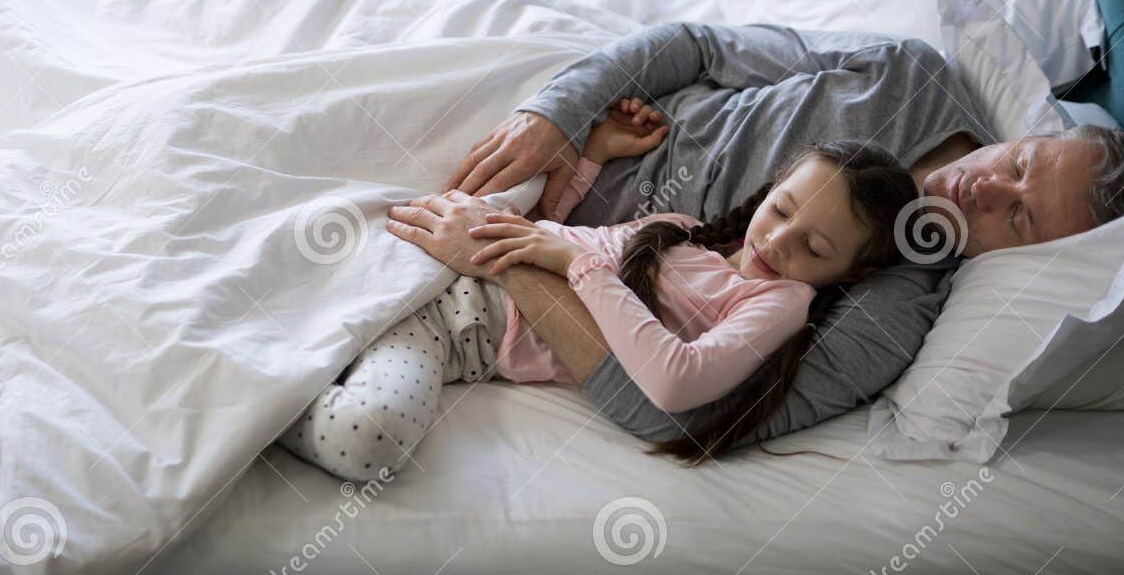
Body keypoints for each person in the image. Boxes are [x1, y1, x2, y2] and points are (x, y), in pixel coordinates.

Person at [389, 22, 1124, 448]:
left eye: (1017, 215)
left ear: (1033, 258)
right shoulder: (909, 72)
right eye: (1021, 161)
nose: (986, 183)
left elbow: (673, 415)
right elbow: (699, 47)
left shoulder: (892, 308)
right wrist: (559, 112)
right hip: (574, 128)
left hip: (522, 248)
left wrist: (505, 255)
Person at [278, 99, 917, 480]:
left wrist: (578, 269)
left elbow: (675, 381)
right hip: (447, 256)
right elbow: (569, 228)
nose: (778, 244)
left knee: (372, 440)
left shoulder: (780, 304)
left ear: (851, 274)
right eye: (782, 211)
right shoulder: (686, 231)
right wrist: (596, 153)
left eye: (815, 249)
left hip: (463, 321)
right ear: (771, 189)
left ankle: (256, 400)